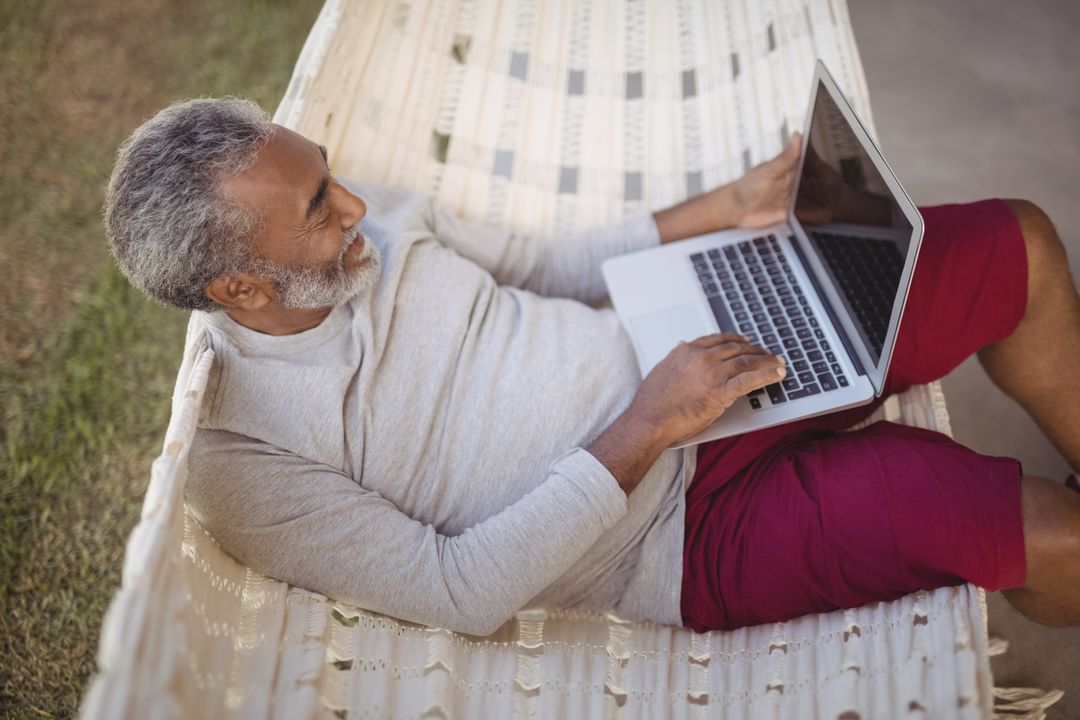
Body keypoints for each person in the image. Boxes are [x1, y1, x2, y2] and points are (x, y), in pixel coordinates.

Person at [104, 98, 1080, 636]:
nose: (358, 205)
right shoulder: (243, 460)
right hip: (680, 534)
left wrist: (721, 206)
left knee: (1018, 244)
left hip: (702, 342)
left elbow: (538, 266)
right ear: (238, 289)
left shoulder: (365, 226)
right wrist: (650, 423)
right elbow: (458, 593)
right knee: (1056, 539)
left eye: (329, 174)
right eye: (319, 205)